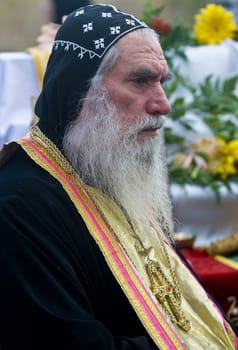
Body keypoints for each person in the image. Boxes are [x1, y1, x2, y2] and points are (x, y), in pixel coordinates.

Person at [0, 4, 237, 349]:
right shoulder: (17, 206)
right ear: (80, 91)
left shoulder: (114, 174)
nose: (163, 104)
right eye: (141, 81)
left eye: (161, 82)